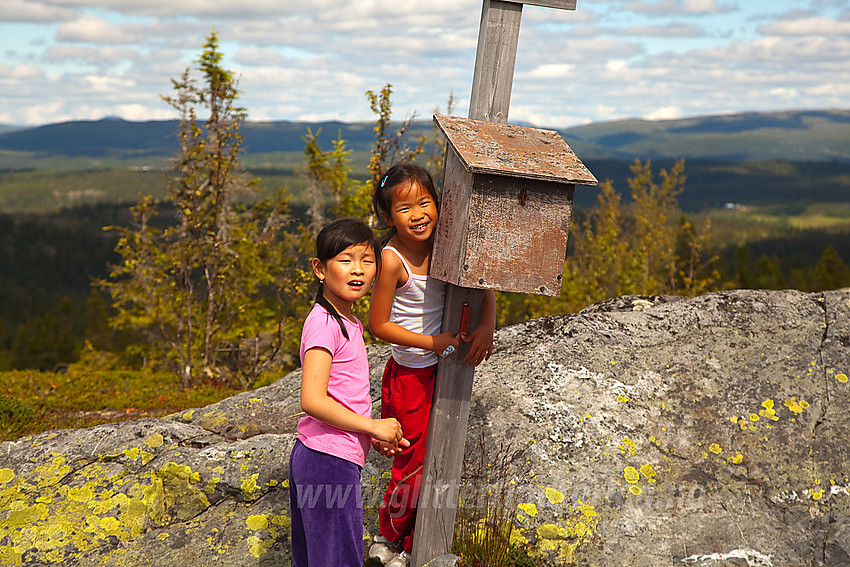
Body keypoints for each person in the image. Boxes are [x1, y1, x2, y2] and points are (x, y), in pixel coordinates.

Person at [367, 163, 496, 566]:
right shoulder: (391, 260)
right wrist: (433, 342)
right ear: (389, 217)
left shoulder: (449, 244)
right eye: (405, 208)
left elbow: (483, 282)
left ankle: (410, 542)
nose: (418, 214)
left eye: (425, 202)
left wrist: (488, 324)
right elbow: (378, 324)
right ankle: (388, 539)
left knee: (441, 457)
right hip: (411, 375)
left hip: (446, 369)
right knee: (414, 461)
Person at [289, 218, 409, 567]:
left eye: (367, 260)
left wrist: (371, 436)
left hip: (327, 457)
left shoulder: (347, 321)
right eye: (345, 259)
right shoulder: (324, 323)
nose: (358, 270)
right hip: (327, 462)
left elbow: (341, 395)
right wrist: (372, 426)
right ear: (320, 269)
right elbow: (312, 400)